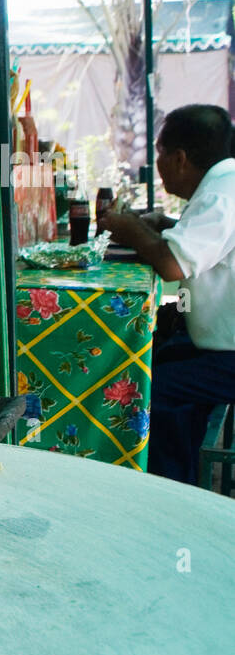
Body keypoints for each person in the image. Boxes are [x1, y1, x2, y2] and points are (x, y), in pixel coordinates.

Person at [99, 104, 235, 486]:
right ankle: (181, 468)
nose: (157, 162)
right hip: (218, 344)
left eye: (158, 152)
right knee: (160, 352)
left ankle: (170, 488)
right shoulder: (223, 184)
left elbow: (173, 264)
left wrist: (129, 228)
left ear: (179, 158)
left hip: (229, 356)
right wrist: (166, 226)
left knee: (147, 387)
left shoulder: (222, 194)